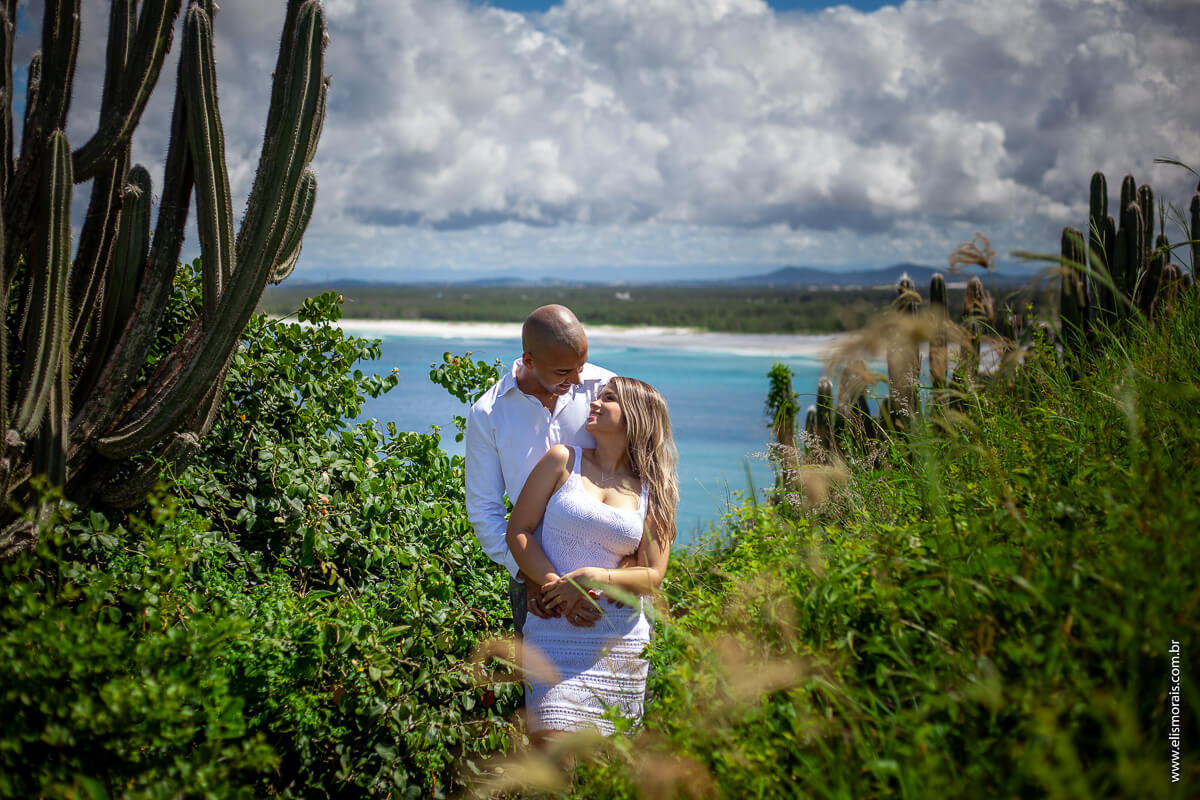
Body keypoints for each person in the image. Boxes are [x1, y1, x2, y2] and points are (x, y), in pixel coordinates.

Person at [505, 377, 678, 740]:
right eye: (598, 397)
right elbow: (519, 532)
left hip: (618, 640)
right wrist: (557, 589)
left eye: (609, 399)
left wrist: (593, 578)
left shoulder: (652, 487)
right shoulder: (562, 460)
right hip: (552, 628)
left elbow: (653, 574)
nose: (595, 403)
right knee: (552, 754)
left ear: (636, 416)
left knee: (608, 768)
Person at [465, 305, 617, 633]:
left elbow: (640, 474)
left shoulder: (608, 388)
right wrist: (532, 576)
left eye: (581, 365)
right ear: (530, 361)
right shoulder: (488, 413)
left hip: (609, 575)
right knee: (540, 682)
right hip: (535, 589)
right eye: (564, 372)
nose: (577, 379)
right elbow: (484, 510)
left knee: (619, 680)